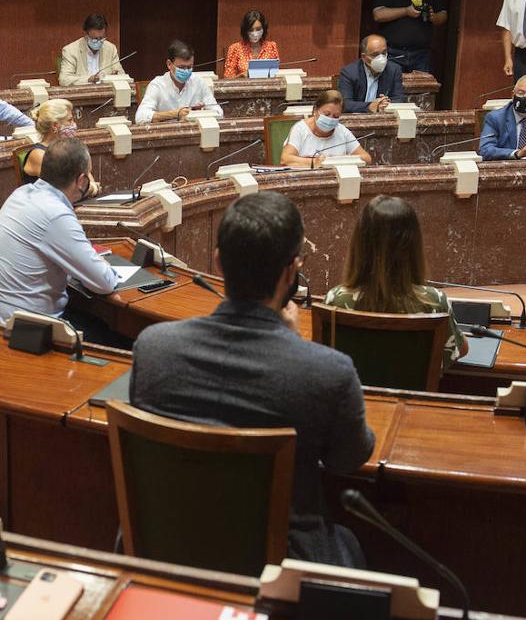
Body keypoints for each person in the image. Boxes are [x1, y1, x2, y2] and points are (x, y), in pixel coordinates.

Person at [130, 192, 375, 567]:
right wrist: (293, 345)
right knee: (351, 543)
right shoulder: (328, 372)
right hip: (279, 567)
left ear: (218, 263)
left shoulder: (152, 349)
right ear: (292, 272)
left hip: (172, 551)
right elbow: (350, 458)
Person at [0, 138, 122, 343]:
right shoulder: (55, 214)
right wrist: (102, 264)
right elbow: (104, 282)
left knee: (96, 322)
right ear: (82, 181)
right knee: (126, 340)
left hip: (5, 317)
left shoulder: (20, 194)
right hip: (32, 332)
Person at [323, 195, 468, 367]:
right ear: (413, 246)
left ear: (360, 243)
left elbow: (325, 358)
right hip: (413, 395)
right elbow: (460, 350)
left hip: (355, 394)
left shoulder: (336, 300)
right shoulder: (433, 302)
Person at [372, 0, 448, 74]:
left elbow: (443, 15)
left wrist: (433, 17)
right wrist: (406, 11)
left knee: (421, 90)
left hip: (421, 54)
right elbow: (378, 15)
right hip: (393, 52)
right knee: (391, 89)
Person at [20, 99, 99, 196]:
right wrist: (91, 188)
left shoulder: (68, 150)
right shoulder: (39, 155)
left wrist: (90, 187)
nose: (74, 125)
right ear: (55, 126)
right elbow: (67, 190)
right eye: (70, 121)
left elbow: (87, 181)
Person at [134, 40, 223, 124]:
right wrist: (176, 113)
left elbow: (219, 112)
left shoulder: (199, 82)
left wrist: (202, 113)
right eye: (181, 67)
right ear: (169, 64)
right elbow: (140, 117)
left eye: (189, 67)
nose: (186, 71)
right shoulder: (157, 85)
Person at [279, 90, 372, 167]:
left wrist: (342, 160)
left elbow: (367, 159)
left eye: (336, 116)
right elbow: (285, 159)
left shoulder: (342, 131)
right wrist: (314, 162)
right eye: (326, 114)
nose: (330, 119)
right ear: (315, 110)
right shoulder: (300, 129)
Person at [338, 34, 405, 114]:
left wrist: (386, 104)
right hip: (356, 120)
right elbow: (345, 104)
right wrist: (370, 106)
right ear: (364, 57)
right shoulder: (349, 72)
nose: (381, 59)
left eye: (384, 53)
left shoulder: (394, 70)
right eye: (375, 55)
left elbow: (398, 98)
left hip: (383, 119)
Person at [59, 13, 125, 86]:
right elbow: (64, 80)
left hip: (107, 93)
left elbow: (121, 75)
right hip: (82, 94)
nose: (98, 41)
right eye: (95, 39)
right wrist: (89, 79)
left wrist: (116, 76)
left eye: (101, 38)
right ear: (86, 34)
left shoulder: (111, 49)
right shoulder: (70, 50)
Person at [222, 9, 280, 79]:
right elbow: (227, 79)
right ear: (245, 31)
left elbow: (276, 74)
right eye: (251, 30)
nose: (255, 33)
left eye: (258, 29)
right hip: (242, 88)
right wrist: (241, 76)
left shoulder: (271, 46)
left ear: (263, 29)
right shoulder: (235, 48)